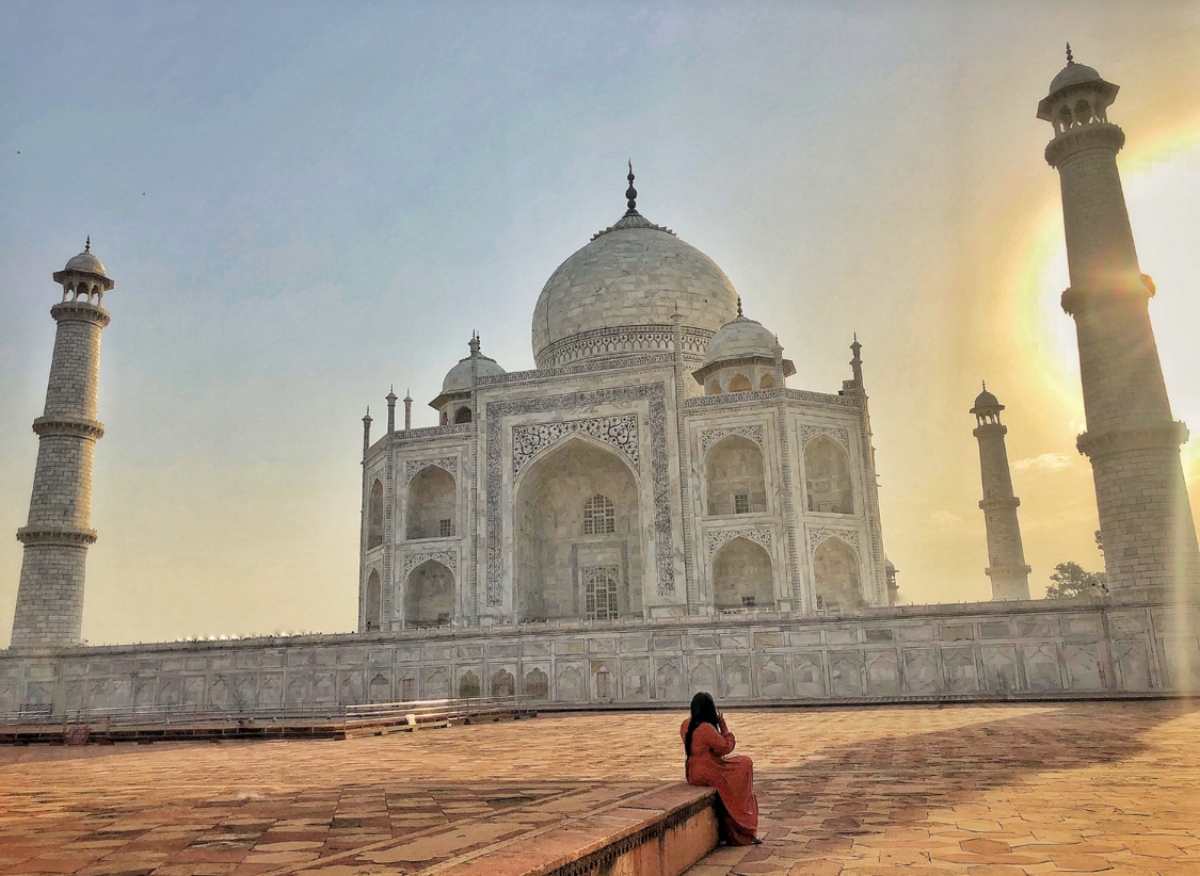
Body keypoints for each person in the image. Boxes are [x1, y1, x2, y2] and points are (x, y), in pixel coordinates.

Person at [680, 691, 760, 845]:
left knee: (737, 765)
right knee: (744, 763)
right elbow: (724, 748)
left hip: (692, 771)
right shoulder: (705, 728)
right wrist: (724, 728)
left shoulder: (686, 725)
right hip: (709, 770)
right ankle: (743, 821)